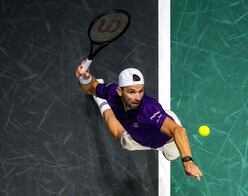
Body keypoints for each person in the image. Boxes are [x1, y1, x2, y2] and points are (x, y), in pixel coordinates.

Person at [75, 61, 203, 181]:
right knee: (123, 141)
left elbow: (178, 130)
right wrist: (84, 77)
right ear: (119, 91)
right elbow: (92, 87)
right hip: (139, 134)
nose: (137, 97)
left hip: (168, 141)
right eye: (131, 92)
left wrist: (188, 161)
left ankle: (166, 119)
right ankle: (101, 101)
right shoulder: (112, 92)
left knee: (171, 156)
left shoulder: (149, 109)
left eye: (141, 91)